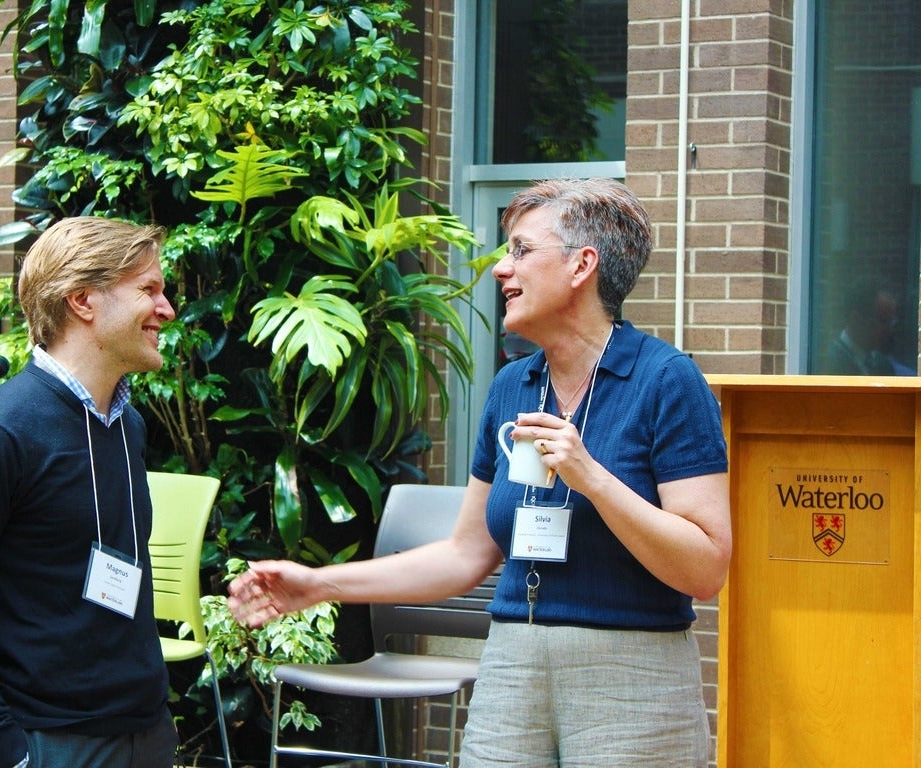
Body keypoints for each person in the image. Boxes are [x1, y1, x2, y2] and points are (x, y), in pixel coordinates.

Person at [228, 178, 732, 767]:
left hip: (633, 676)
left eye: (520, 250)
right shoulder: (512, 387)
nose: (499, 269)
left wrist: (591, 476)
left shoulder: (667, 381)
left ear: (581, 266)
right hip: (512, 666)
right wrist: (319, 585)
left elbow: (705, 568)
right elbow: (465, 556)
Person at [0, 217, 179, 768]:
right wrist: (3, 750)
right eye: (148, 289)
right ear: (82, 300)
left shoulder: (129, 426)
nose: (166, 308)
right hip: (45, 743)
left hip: (144, 731)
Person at [820, 276, 916, 376]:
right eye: (883, 321)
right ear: (856, 319)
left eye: (892, 322)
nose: (890, 330)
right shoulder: (831, 365)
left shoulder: (883, 364)